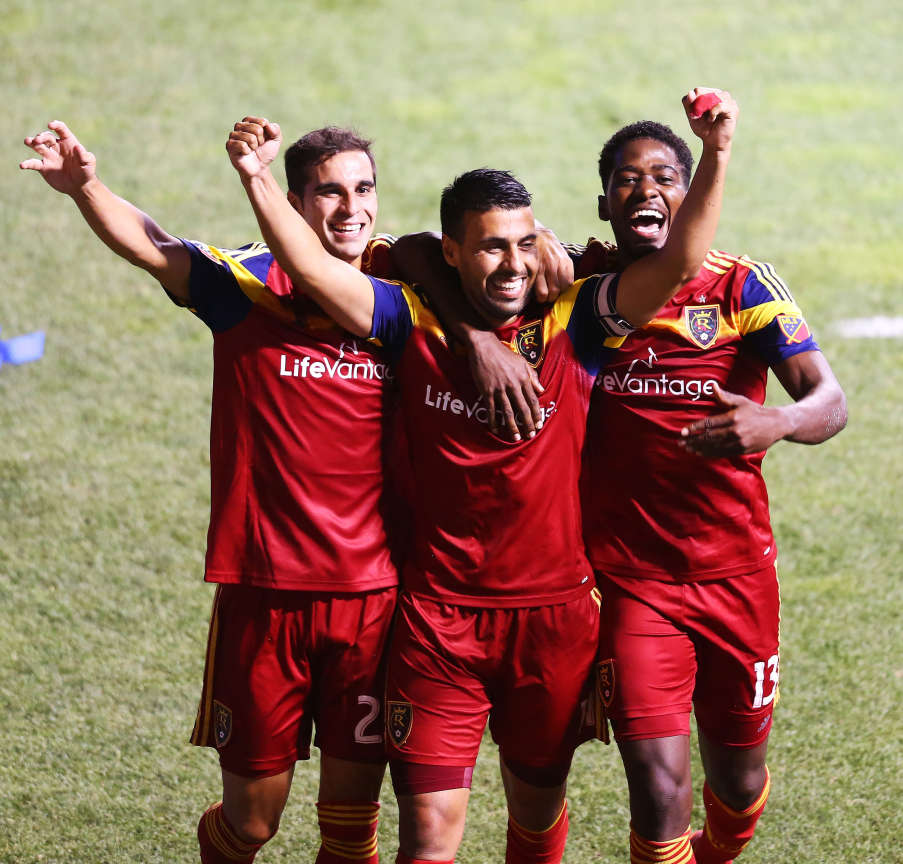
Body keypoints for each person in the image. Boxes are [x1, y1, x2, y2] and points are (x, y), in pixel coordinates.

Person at [224, 86, 736, 864]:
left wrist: (717, 153)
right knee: (426, 838)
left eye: (524, 244)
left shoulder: (580, 319)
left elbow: (680, 260)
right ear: (452, 254)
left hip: (555, 621)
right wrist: (259, 178)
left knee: (535, 821)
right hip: (437, 623)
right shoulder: (408, 319)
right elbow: (310, 266)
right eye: (490, 246)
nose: (511, 262)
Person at [20, 121, 403, 864]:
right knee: (251, 824)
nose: (351, 209)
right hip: (265, 596)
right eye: (329, 192)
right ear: (292, 202)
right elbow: (154, 245)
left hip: (371, 599)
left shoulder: (398, 294)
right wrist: (85, 186)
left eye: (363, 190)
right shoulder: (250, 288)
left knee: (351, 828)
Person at [576, 120, 848, 864]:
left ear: (690, 193)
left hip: (737, 577)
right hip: (633, 582)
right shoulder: (578, 286)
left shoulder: (741, 285)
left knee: (737, 780)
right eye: (627, 177)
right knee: (658, 787)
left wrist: (777, 421)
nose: (646, 189)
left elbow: (830, 399)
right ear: (603, 202)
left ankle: (720, 850)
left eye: (665, 175)